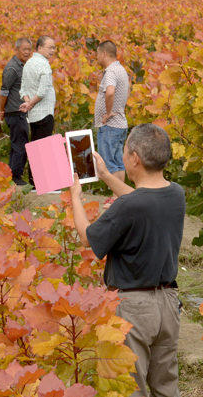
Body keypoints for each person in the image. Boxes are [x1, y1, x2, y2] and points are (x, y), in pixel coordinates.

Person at [70, 124, 184, 397]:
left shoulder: (128, 206)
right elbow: (141, 199)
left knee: (131, 388)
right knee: (166, 387)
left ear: (135, 158)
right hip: (168, 304)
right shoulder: (176, 194)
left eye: (124, 150)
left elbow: (87, 238)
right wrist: (106, 176)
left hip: (134, 309)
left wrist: (75, 196)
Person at [94, 40, 130, 208]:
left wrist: (108, 113)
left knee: (109, 161)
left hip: (110, 125)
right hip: (120, 123)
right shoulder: (121, 69)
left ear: (104, 54)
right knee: (118, 161)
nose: (97, 58)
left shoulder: (110, 71)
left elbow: (110, 92)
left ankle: (116, 197)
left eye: (97, 54)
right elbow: (127, 90)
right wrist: (119, 108)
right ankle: (120, 196)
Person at [19, 36, 57, 185]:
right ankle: (44, 184)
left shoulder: (28, 63)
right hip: (44, 112)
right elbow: (42, 92)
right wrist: (31, 103)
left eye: (54, 48)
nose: (52, 50)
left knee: (35, 148)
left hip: (33, 114)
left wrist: (28, 102)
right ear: (40, 48)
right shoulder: (44, 66)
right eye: (50, 47)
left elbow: (23, 88)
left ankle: (34, 183)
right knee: (44, 149)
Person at [0, 38, 32, 186]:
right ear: (16, 50)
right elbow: (4, 91)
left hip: (20, 111)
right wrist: (1, 110)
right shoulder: (12, 68)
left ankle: (11, 175)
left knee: (17, 143)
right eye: (24, 49)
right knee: (20, 145)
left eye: (29, 49)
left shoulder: (23, 66)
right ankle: (16, 176)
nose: (27, 52)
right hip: (15, 112)